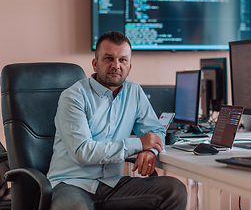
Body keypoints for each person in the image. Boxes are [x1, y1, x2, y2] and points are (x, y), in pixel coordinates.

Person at [47, 31, 187, 210]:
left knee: (174, 190)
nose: (116, 65)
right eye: (108, 58)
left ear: (129, 66)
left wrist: (150, 151)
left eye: (123, 60)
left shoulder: (134, 92)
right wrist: (138, 144)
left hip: (113, 185)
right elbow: (83, 152)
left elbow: (156, 131)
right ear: (95, 63)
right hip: (71, 183)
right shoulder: (73, 97)